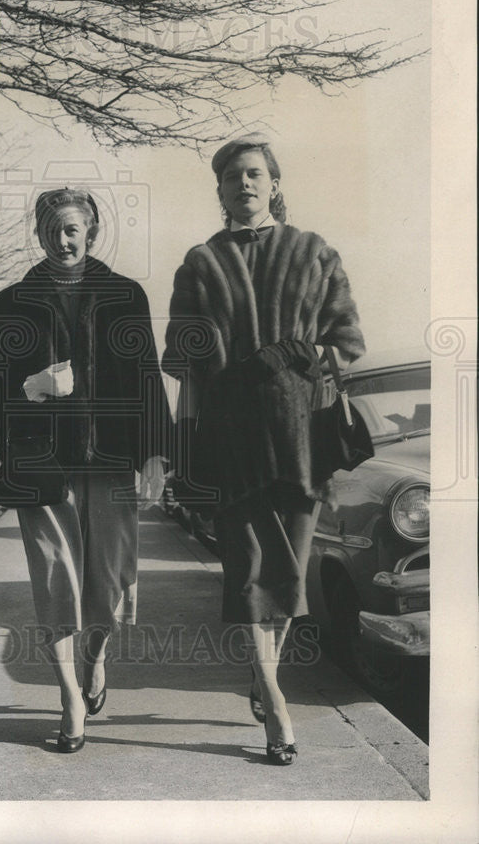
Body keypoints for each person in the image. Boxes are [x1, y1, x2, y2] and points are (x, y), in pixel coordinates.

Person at [162, 134, 365, 766]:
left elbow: (347, 341)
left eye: (254, 174)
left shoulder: (314, 252)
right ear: (220, 191)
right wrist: (184, 444)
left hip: (302, 437)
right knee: (247, 569)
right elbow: (185, 361)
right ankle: (275, 699)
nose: (243, 185)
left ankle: (263, 673)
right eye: (231, 178)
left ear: (273, 183)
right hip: (232, 440)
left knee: (288, 572)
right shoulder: (200, 263)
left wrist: (305, 358)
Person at [0, 188, 170, 753]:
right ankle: (69, 700)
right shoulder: (12, 302)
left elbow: (148, 376)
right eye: (54, 229)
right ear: (38, 234)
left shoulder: (125, 295)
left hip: (111, 460)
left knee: (109, 582)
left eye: (74, 229)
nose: (64, 240)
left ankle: (96, 654)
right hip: (41, 460)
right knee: (57, 578)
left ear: (92, 233)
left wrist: (157, 450)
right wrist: (24, 393)